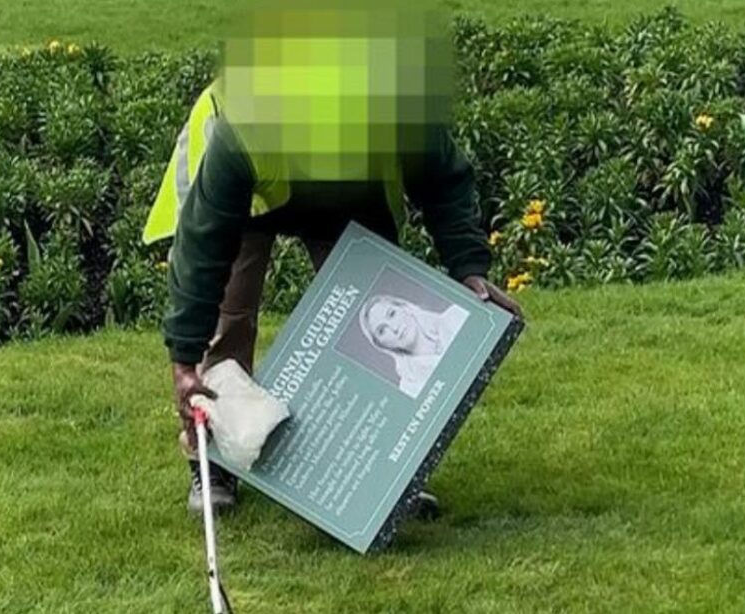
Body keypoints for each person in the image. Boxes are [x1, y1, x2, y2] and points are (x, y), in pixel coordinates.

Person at [142, 3, 523, 517]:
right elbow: (203, 248)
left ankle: (385, 474)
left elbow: (444, 182)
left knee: (374, 314)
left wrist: (470, 269)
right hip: (249, 199)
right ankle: (213, 466)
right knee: (229, 320)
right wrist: (184, 360)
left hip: (349, 198)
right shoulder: (244, 127)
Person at [358, 295, 469, 397]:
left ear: (405, 308)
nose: (394, 328)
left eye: (392, 314)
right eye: (382, 330)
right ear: (381, 345)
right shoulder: (409, 388)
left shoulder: (457, 315)